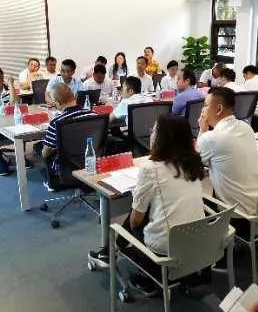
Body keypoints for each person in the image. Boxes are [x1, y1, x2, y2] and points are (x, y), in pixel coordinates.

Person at [88, 115, 206, 290]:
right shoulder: (193, 163)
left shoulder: (151, 169)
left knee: (137, 216)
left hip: (166, 249)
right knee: (148, 208)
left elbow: (135, 221)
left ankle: (113, 252)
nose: (151, 134)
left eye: (154, 131)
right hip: (199, 239)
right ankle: (112, 252)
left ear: (162, 138)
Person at [197, 87, 258, 216]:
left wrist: (202, 130)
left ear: (219, 109)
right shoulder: (246, 127)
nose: (202, 110)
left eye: (205, 105)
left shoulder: (211, 138)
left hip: (237, 216)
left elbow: (195, 162)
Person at [40, 83, 97, 185]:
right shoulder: (93, 115)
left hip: (66, 167)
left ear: (57, 103)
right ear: (74, 96)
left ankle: (52, 183)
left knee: (40, 148)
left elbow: (45, 153)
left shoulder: (57, 122)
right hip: (91, 161)